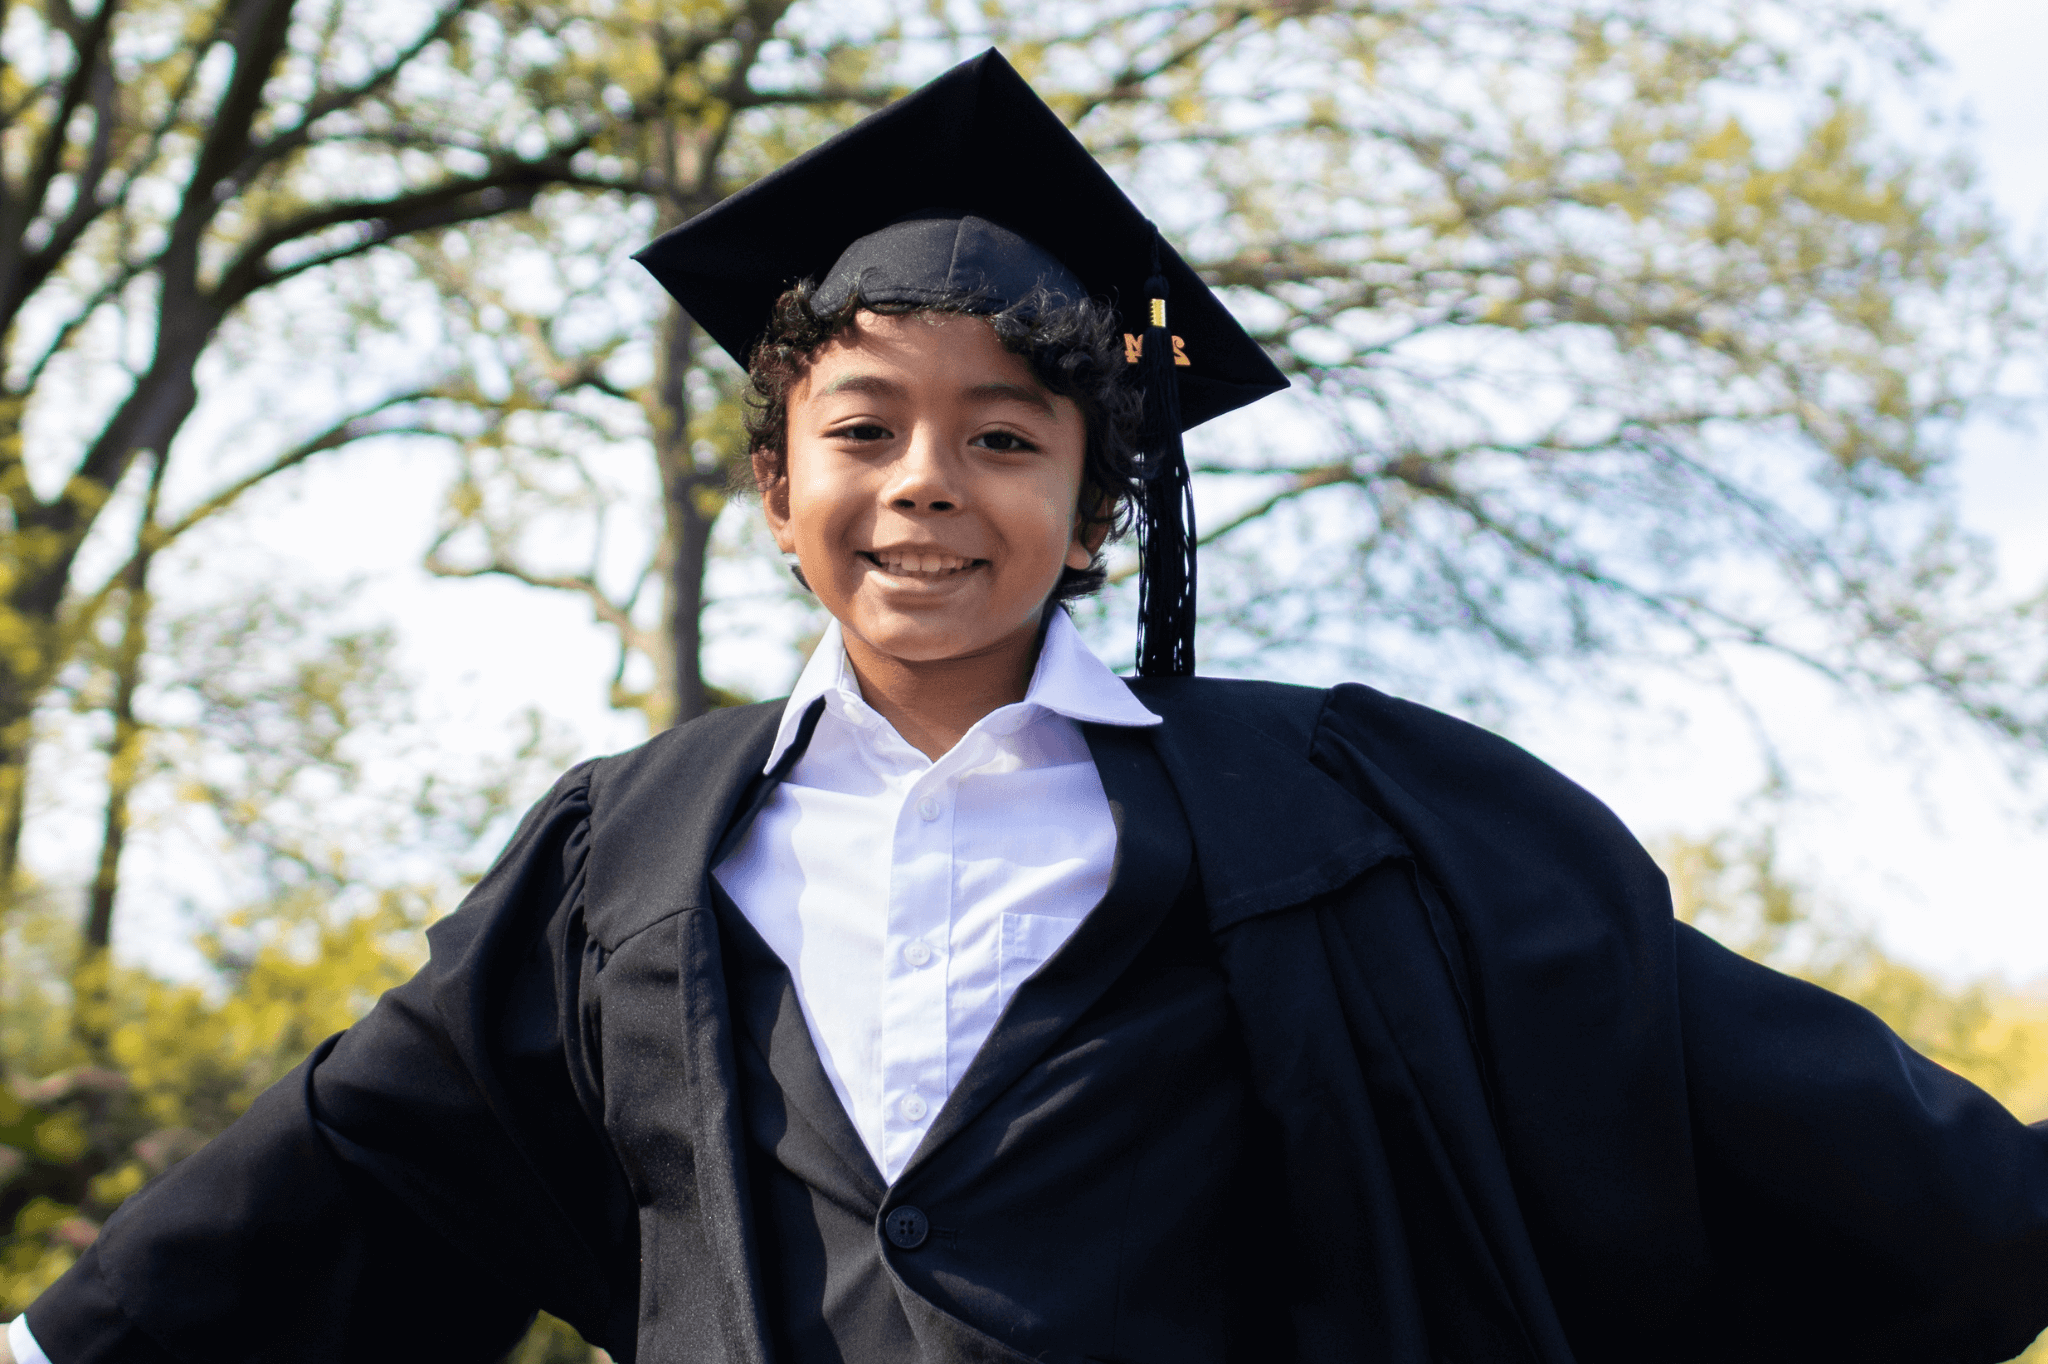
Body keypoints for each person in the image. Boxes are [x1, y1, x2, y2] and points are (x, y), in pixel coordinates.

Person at [9, 48, 2048, 1364]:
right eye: (864, 425)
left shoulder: (1322, 814)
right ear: (773, 477)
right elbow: (369, 1156)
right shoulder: (630, 843)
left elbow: (1679, 1056)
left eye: (1003, 436)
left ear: (1091, 504)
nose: (926, 483)